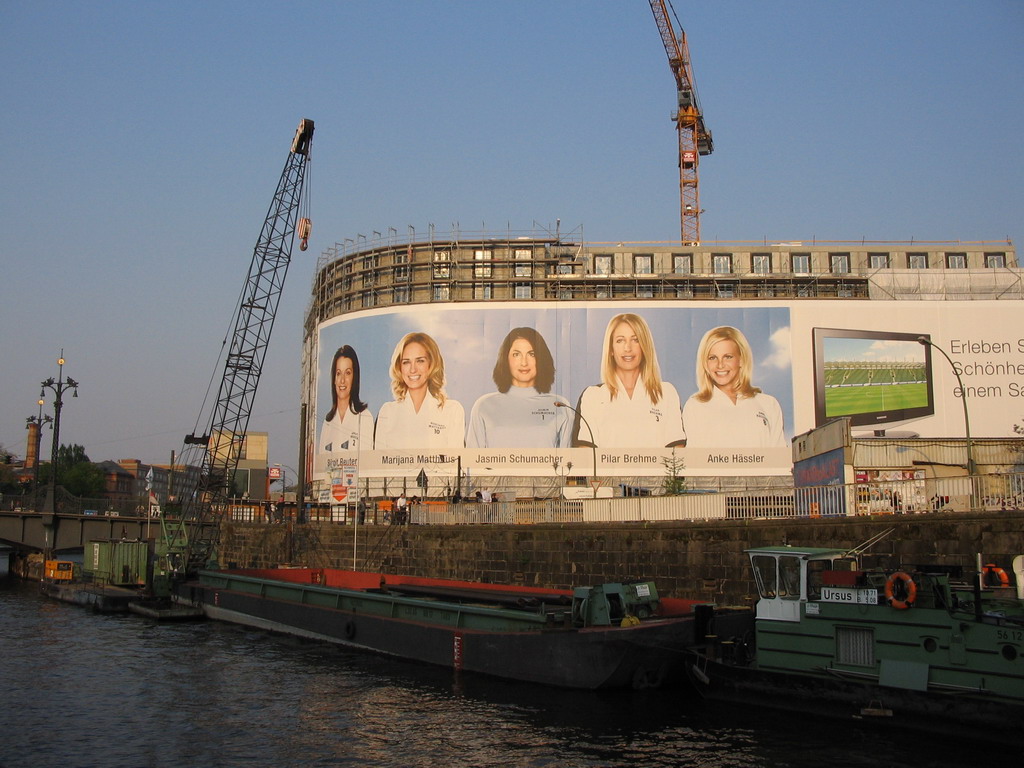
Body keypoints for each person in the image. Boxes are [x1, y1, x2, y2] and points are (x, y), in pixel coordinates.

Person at [575, 313, 685, 448]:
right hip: (607, 470)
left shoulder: (666, 393)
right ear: (611, 349)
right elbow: (586, 455)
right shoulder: (593, 396)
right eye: (620, 340)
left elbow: (677, 455)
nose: (628, 348)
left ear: (644, 347)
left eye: (635, 340)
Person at [681, 325, 786, 448]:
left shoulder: (768, 404)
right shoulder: (695, 406)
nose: (720, 365)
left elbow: (780, 459)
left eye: (728, 357)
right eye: (712, 358)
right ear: (705, 364)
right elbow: (696, 461)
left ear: (741, 360)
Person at [466, 327, 571, 448]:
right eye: (516, 354)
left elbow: (569, 463)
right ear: (506, 359)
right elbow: (472, 463)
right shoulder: (483, 406)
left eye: (532, 354)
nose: (524, 362)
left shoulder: (560, 406)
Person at [374, 332, 465, 449]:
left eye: (420, 361)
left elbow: (455, 464)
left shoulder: (452, 410)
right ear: (399, 367)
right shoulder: (387, 412)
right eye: (406, 362)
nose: (413, 369)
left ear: (431, 364)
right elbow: (379, 464)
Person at [318, 345, 375, 453]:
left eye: (348, 373)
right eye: (338, 373)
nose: (342, 380)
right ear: (334, 379)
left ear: (354, 377)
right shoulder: (328, 421)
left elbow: (366, 463)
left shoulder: (364, 417)